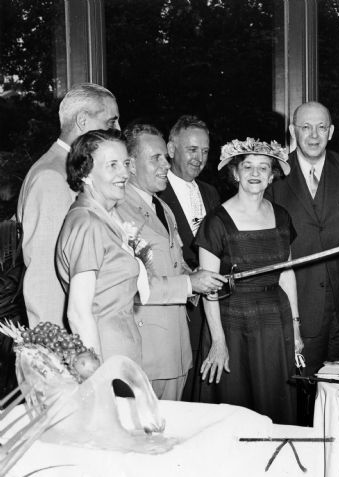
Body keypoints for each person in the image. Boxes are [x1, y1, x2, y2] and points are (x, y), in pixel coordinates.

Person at [55, 129, 225, 367]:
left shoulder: (105, 218)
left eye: (125, 163)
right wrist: (95, 378)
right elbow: (78, 313)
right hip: (107, 358)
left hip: (127, 352)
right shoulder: (87, 223)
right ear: (85, 173)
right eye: (112, 165)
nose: (124, 172)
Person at [195, 138, 302, 425]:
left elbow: (287, 274)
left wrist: (296, 329)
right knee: (234, 408)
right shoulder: (216, 221)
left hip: (274, 324)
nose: (255, 174)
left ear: (271, 175)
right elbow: (209, 289)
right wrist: (218, 341)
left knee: (274, 403)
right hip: (232, 326)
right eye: (248, 167)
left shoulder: (281, 216)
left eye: (263, 167)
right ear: (235, 173)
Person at [116, 123, 227, 400]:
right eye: (156, 158)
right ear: (129, 165)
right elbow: (131, 286)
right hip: (146, 356)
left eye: (164, 157)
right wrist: (191, 283)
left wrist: (203, 278)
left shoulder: (161, 207)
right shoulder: (118, 210)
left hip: (176, 351)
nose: (165, 164)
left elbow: (176, 264)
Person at [266, 101, 339, 377]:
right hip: (300, 306)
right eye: (306, 127)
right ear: (292, 131)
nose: (314, 135)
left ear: (331, 131)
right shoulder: (272, 174)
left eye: (321, 127)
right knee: (303, 390)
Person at [17, 83, 120, 329]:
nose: (118, 130)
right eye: (110, 122)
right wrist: (56, 351)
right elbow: (45, 277)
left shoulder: (70, 169)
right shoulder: (52, 178)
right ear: (83, 121)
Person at [159, 115, 221, 401]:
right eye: (192, 150)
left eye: (205, 151)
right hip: (176, 311)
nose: (200, 158)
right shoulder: (156, 194)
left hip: (209, 310)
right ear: (171, 150)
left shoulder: (210, 193)